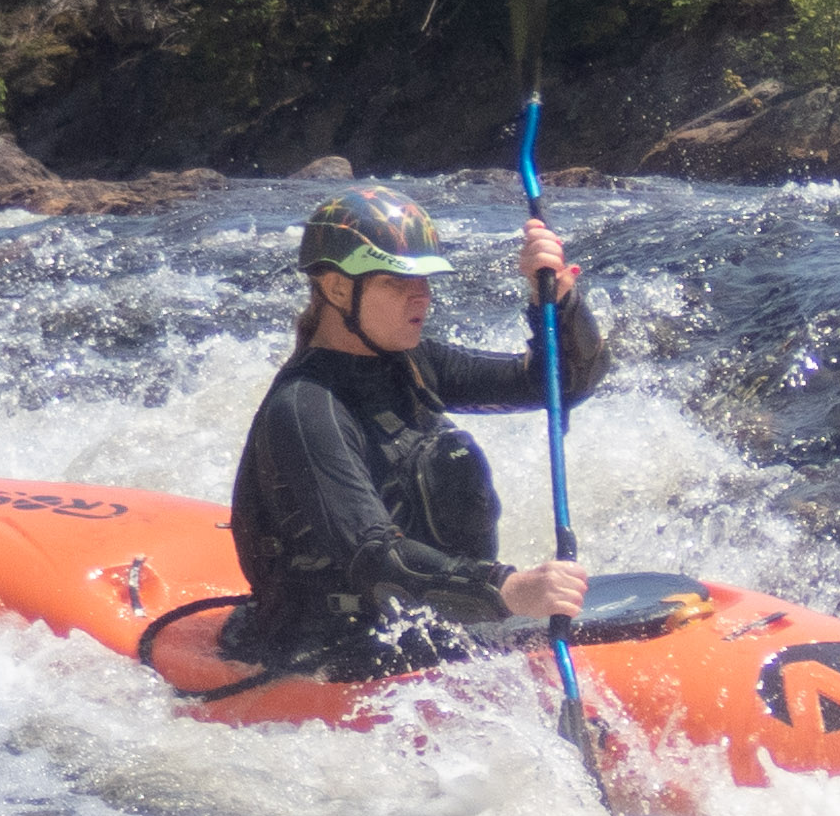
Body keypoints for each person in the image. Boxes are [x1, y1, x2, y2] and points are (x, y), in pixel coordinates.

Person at [218, 186, 606, 680]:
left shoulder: (413, 363)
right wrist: (506, 590)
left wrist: (555, 298)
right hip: (331, 650)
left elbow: (561, 385)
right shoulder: (305, 407)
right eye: (396, 281)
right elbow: (373, 557)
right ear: (337, 289)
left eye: (424, 280)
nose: (421, 295)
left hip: (427, 629)